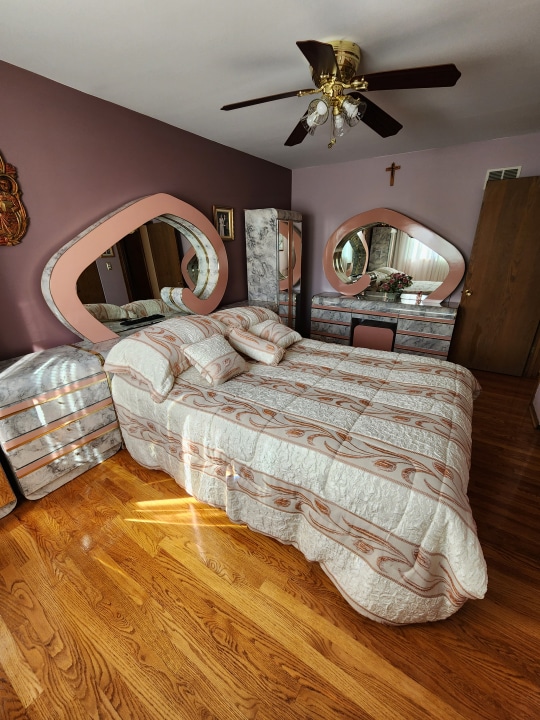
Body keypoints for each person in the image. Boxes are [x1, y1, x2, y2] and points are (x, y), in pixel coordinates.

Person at [0, 176, 24, 245]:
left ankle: (8, 233)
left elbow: (17, 206)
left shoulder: (11, 197)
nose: (5, 187)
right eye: (3, 185)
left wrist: (10, 209)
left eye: (6, 185)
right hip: (2, 214)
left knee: (4, 218)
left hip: (10, 215)